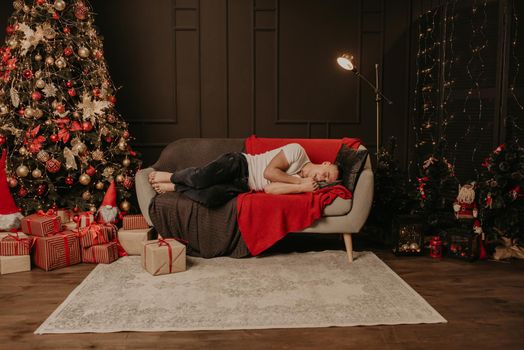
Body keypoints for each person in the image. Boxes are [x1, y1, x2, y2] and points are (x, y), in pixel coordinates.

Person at [148, 143, 339, 207]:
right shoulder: (297, 152)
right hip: (240, 165)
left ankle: (175, 187)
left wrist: (300, 186)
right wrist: (299, 182)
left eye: (325, 180)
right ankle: (171, 176)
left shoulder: (301, 183)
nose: (320, 178)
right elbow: (269, 173)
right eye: (325, 173)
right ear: (325, 163)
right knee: (200, 179)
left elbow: (270, 189)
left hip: (243, 186)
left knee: (208, 198)